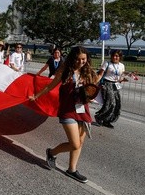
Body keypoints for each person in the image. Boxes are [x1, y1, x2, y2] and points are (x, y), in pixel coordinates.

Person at [29, 46, 99, 183]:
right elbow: (50, 86)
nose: (81, 62)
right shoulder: (65, 69)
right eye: (78, 59)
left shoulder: (88, 71)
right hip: (67, 110)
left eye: (83, 59)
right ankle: (52, 152)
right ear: (72, 58)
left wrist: (90, 96)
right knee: (75, 143)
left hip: (82, 110)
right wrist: (36, 96)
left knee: (80, 142)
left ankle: (72, 169)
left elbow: (92, 87)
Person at [94, 50, 128, 128]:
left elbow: (121, 76)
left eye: (117, 56)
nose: (115, 57)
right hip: (106, 84)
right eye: (113, 55)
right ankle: (100, 117)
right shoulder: (107, 64)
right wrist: (94, 83)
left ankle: (107, 120)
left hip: (115, 84)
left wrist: (123, 79)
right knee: (111, 103)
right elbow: (100, 74)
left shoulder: (122, 65)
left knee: (117, 103)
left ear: (120, 57)